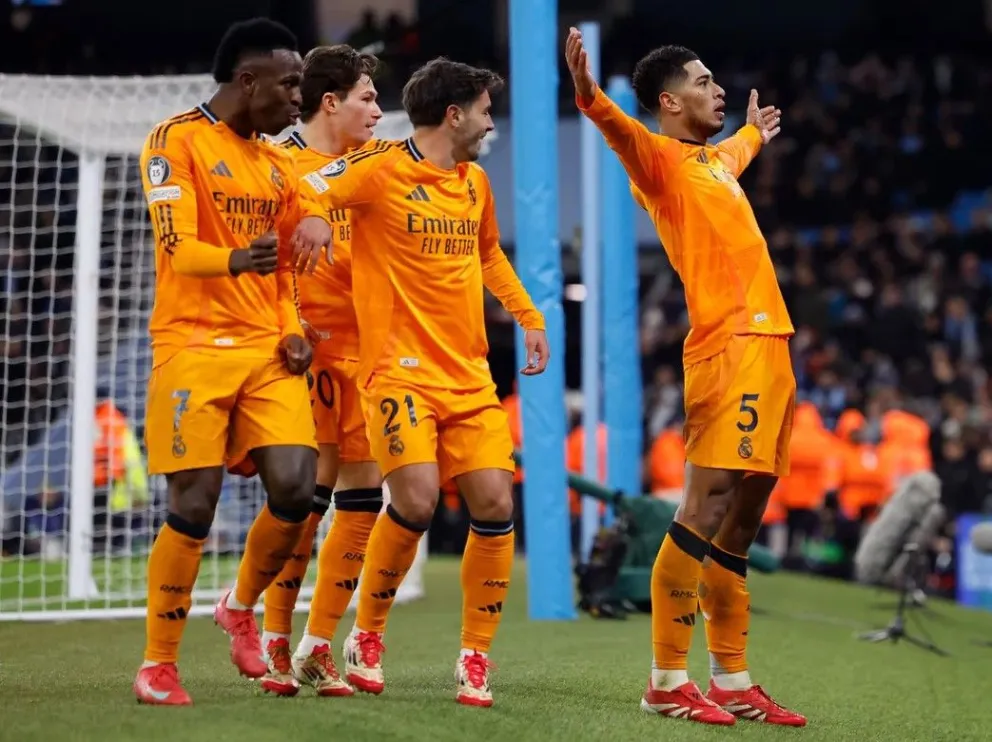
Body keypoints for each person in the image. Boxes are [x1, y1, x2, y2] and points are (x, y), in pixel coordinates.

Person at [566, 29, 806, 727]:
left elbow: (735, 151)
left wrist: (755, 135)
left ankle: (732, 680)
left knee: (740, 524)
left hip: (770, 348)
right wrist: (588, 95)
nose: (718, 89)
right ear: (669, 102)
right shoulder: (661, 162)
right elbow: (616, 128)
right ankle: (667, 679)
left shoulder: (714, 163)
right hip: (729, 349)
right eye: (702, 82)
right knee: (703, 509)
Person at [297, 57, 550, 708]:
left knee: (495, 501)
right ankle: (366, 636)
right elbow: (311, 183)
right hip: (398, 371)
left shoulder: (475, 184)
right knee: (416, 499)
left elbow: (489, 252)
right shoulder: (380, 167)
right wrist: (320, 215)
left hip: (467, 375)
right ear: (454, 114)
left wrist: (528, 316)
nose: (493, 120)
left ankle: (473, 656)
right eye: (487, 110)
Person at [132, 18, 333, 706]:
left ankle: (240, 604)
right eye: (290, 83)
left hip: (264, 351)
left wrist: (293, 322)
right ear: (248, 81)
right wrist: (234, 260)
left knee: (296, 489)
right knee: (194, 503)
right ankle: (158, 664)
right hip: (189, 346)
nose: (298, 97)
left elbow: (291, 254)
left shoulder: (278, 161)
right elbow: (176, 246)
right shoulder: (173, 141)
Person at [259, 44, 384, 699]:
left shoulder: (375, 165)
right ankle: (274, 640)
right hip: (304, 352)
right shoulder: (276, 164)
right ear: (331, 102)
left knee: (363, 503)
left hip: (366, 353)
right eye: (367, 97)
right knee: (304, 505)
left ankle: (317, 645)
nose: (378, 110)